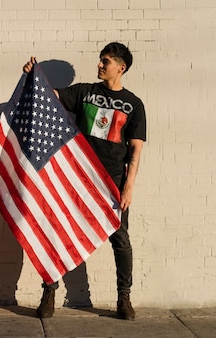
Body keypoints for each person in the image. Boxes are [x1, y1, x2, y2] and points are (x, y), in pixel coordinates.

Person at [23, 42, 146, 320]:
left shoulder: (134, 104)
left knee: (121, 240)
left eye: (106, 61)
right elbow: (50, 96)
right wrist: (34, 76)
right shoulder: (84, 92)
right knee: (58, 232)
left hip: (112, 182)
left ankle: (123, 298)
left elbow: (136, 150)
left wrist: (128, 188)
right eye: (100, 60)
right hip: (78, 177)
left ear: (121, 67)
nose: (100, 65)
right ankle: (49, 290)